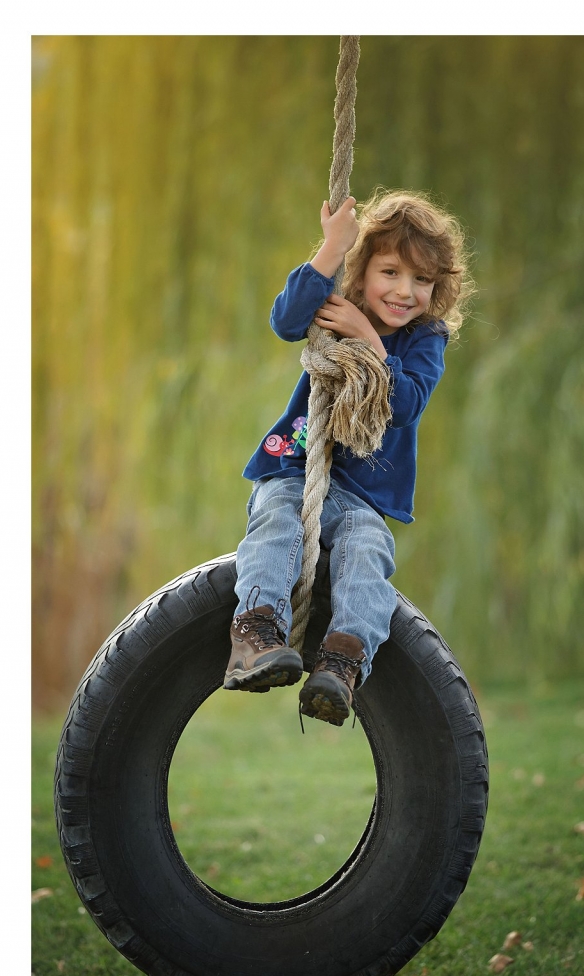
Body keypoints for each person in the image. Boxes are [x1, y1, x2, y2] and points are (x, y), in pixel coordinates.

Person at [225, 188, 472, 725]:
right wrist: (331, 249)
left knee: (368, 552)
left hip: (363, 496)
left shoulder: (425, 339)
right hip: (295, 469)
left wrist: (369, 341)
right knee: (276, 522)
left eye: (422, 280)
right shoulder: (338, 304)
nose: (405, 291)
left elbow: (405, 404)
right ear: (362, 272)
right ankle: (256, 634)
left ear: (439, 287)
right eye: (391, 272)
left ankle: (341, 664)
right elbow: (286, 321)